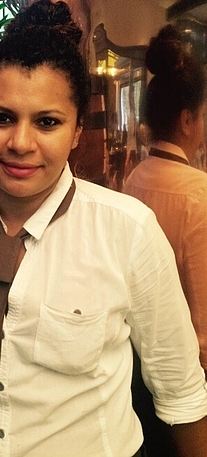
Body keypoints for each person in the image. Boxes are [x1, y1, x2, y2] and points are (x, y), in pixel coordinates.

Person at [0, 0, 207, 457]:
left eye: (47, 122)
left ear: (77, 131)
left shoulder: (129, 231)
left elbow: (181, 393)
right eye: (1, 117)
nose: (20, 143)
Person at [123, 24, 207, 373]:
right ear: (187, 120)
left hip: (140, 353)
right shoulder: (198, 193)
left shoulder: (134, 178)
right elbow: (202, 312)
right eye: (203, 116)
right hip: (186, 367)